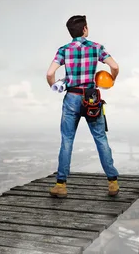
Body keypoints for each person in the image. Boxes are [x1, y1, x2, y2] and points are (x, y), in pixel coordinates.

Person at [45, 15, 120, 198]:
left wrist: (55, 86)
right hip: (91, 97)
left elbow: (50, 73)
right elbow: (115, 67)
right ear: (85, 29)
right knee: (101, 139)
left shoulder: (64, 50)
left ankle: (61, 185)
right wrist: (111, 81)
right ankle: (112, 183)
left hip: (71, 96)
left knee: (67, 140)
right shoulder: (96, 47)